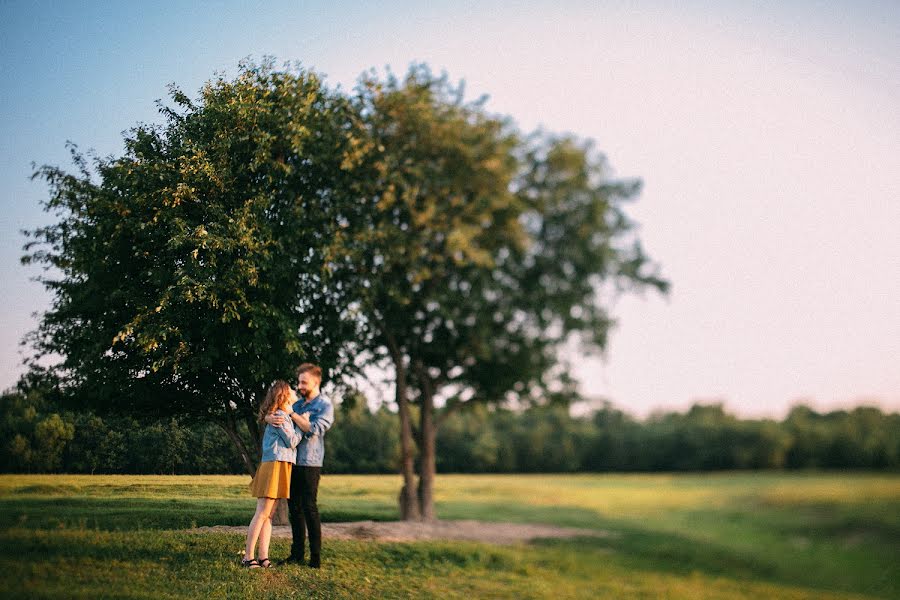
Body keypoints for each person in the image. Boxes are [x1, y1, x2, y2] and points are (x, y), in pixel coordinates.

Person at [266, 362, 334, 568]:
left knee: (309, 507)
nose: (300, 385)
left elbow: (314, 429)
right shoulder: (297, 404)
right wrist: (269, 417)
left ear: (316, 381)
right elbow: (280, 416)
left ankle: (315, 558)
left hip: (310, 463)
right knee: (294, 508)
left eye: (304, 382)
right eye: (299, 382)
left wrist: (292, 414)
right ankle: (296, 554)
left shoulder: (324, 405)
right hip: (291, 461)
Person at [242, 380, 307, 568]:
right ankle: (248, 557)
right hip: (274, 465)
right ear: (284, 396)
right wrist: (301, 424)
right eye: (292, 391)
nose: (295, 393)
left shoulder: (281, 415)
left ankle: (263, 557)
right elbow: (292, 441)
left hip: (281, 465)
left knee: (269, 515)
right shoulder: (279, 415)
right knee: (262, 513)